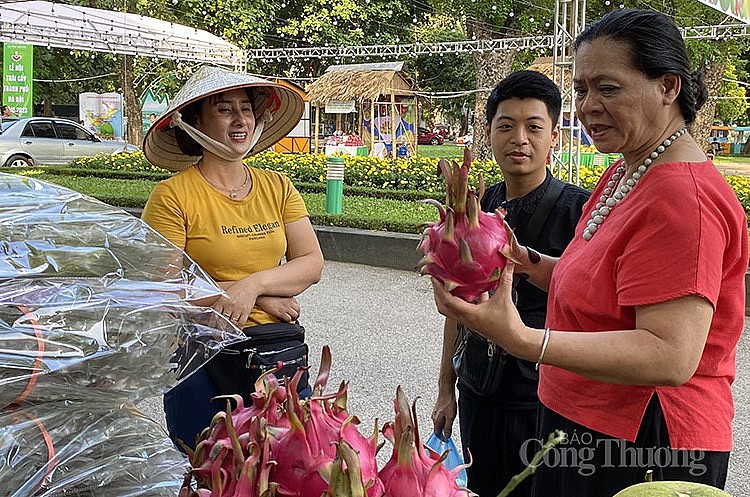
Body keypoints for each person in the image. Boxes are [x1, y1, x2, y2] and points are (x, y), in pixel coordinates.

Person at [431, 8, 748, 496]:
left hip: (642, 439)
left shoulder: (684, 198)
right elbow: (602, 283)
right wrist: (526, 261)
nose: (587, 105)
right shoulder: (628, 170)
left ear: (668, 86)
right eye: (580, 89)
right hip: (586, 418)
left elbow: (670, 354)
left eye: (608, 88)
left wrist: (521, 338)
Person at [141, 65, 324, 449]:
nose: (240, 120)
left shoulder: (278, 186)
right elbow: (163, 287)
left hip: (274, 349)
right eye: (224, 110)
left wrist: (253, 285)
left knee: (283, 467)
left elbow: (311, 263)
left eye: (246, 108)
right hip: (200, 355)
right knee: (209, 471)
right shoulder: (172, 195)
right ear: (195, 122)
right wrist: (262, 296)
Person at [431, 70, 590, 497]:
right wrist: (447, 387)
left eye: (534, 127)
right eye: (506, 125)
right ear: (489, 133)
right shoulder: (477, 209)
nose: (519, 138)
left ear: (554, 136)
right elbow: (460, 306)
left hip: (543, 398)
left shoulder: (580, 214)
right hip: (479, 390)